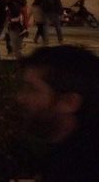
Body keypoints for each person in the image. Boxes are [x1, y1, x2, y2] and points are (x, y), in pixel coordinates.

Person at [17, 46, 99, 182]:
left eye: (32, 89)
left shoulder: (81, 169)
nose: (20, 97)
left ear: (69, 102)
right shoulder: (67, 152)